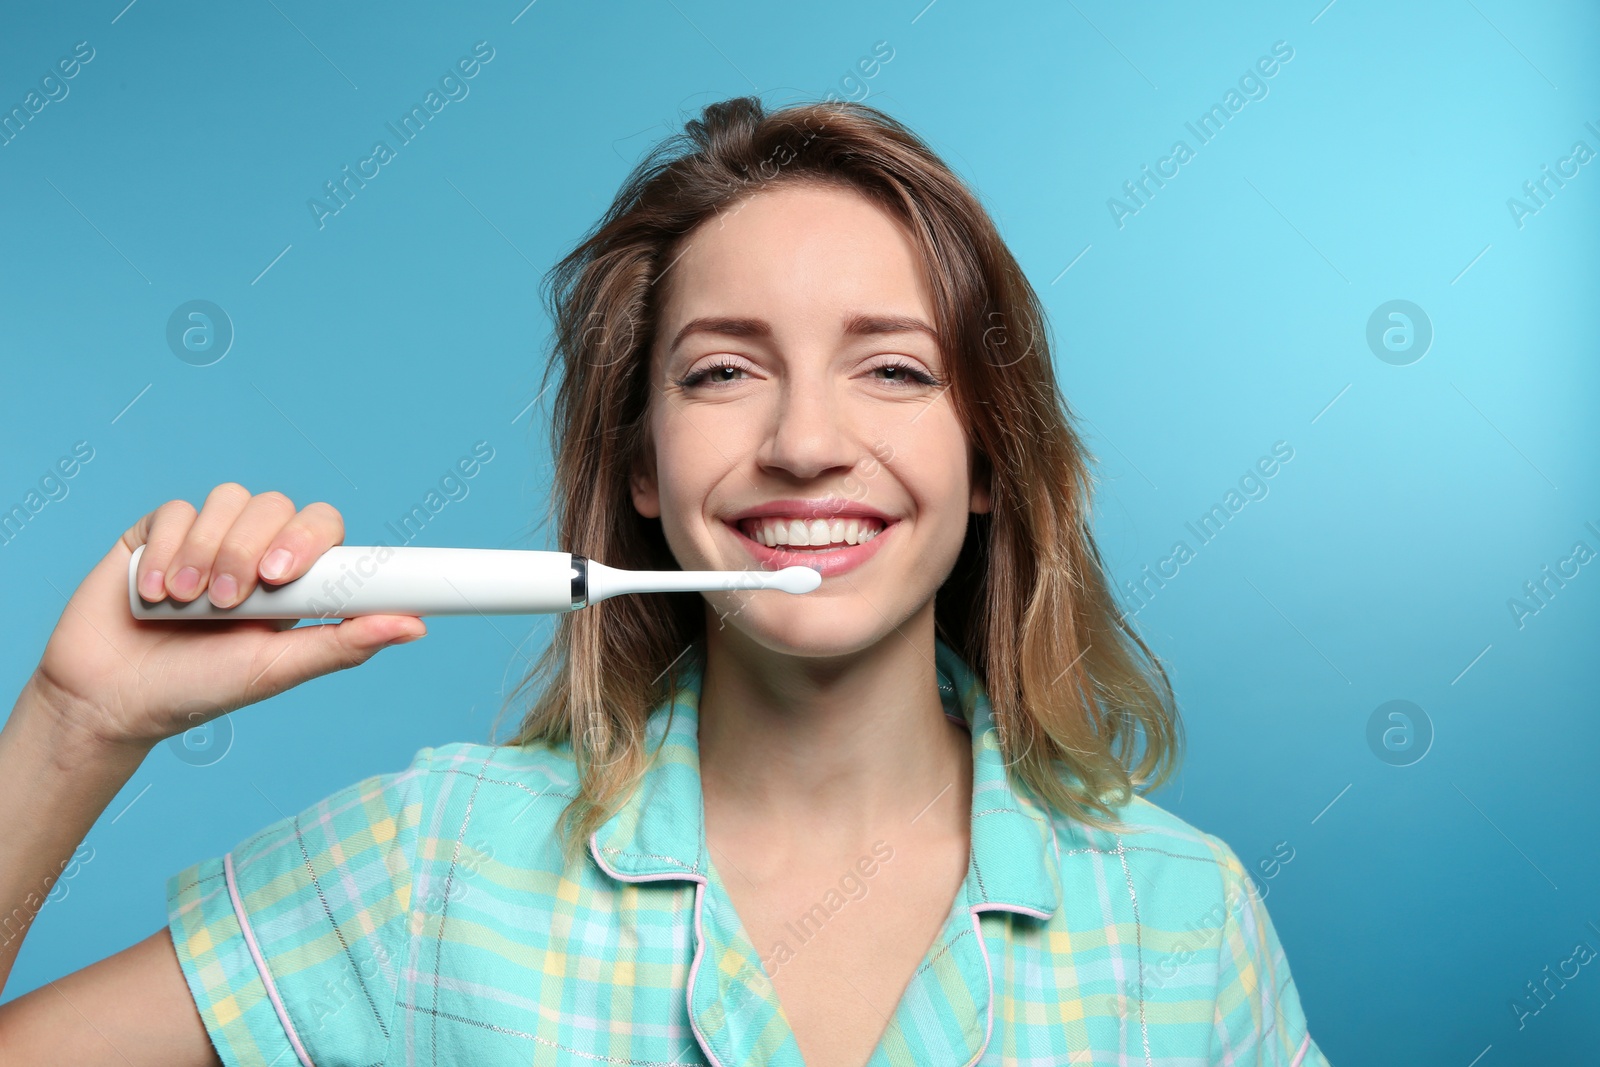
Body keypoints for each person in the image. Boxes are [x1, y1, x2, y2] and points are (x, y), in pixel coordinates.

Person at [0, 96, 1330, 1066]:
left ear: (988, 456)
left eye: (894, 368)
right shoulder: (434, 869)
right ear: (643, 468)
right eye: (722, 371)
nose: (806, 443)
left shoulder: (1181, 922)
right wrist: (75, 723)